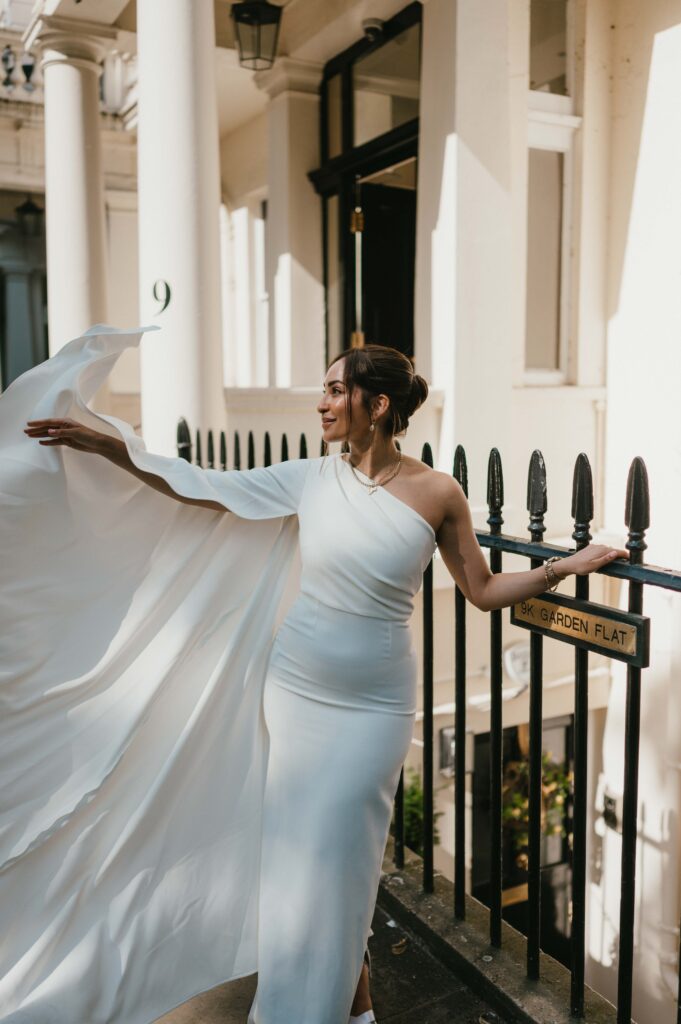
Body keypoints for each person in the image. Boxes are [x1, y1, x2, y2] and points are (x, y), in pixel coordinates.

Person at [1, 326, 627, 1024]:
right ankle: (340, 1008)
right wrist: (114, 450)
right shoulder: (307, 477)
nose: (322, 404)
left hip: (375, 711)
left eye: (335, 390)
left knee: (342, 864)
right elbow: (202, 489)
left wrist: (559, 569)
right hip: (295, 696)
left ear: (377, 404)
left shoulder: (437, 492)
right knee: (301, 871)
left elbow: (479, 590)